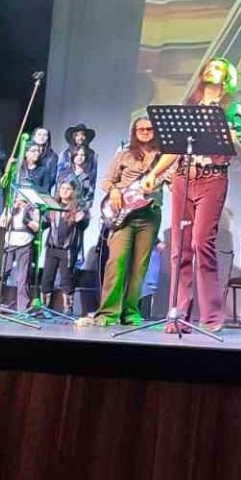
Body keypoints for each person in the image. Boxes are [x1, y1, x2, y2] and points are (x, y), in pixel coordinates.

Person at [147, 57, 241, 332]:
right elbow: (174, 149)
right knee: (179, 248)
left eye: (218, 73)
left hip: (212, 178)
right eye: (209, 71)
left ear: (226, 81)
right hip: (184, 178)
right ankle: (179, 313)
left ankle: (212, 316)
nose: (212, 75)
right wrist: (154, 173)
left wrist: (233, 140)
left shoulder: (233, 110)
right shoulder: (190, 109)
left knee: (202, 243)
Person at [82, 114, 164, 328]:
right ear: (134, 132)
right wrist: (114, 191)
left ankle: (130, 312)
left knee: (139, 268)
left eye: (149, 129)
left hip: (149, 214)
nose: (145, 132)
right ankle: (108, 313)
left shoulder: (163, 156)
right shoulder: (125, 153)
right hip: (122, 215)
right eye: (141, 129)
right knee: (116, 263)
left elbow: (171, 178)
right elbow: (106, 180)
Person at [40, 178, 88, 315]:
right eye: (62, 188)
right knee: (47, 278)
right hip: (52, 248)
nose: (64, 191)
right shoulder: (53, 207)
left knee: (66, 279)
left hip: (67, 250)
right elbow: (44, 224)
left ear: (73, 191)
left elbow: (83, 225)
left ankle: (68, 309)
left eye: (68, 189)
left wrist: (81, 219)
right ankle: (45, 308)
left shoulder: (78, 208)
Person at [0, 186, 43, 312]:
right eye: (19, 199)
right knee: (2, 272)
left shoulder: (33, 209)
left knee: (23, 275)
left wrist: (27, 220)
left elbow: (37, 227)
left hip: (25, 241)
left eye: (23, 200)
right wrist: (11, 211)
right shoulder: (10, 208)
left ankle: (22, 307)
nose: (20, 202)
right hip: (10, 241)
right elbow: (2, 223)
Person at [58, 123, 99, 203]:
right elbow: (59, 176)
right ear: (73, 137)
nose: (80, 137)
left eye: (83, 135)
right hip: (65, 193)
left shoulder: (91, 154)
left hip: (83, 192)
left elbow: (93, 177)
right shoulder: (65, 154)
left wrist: (89, 200)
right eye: (77, 135)